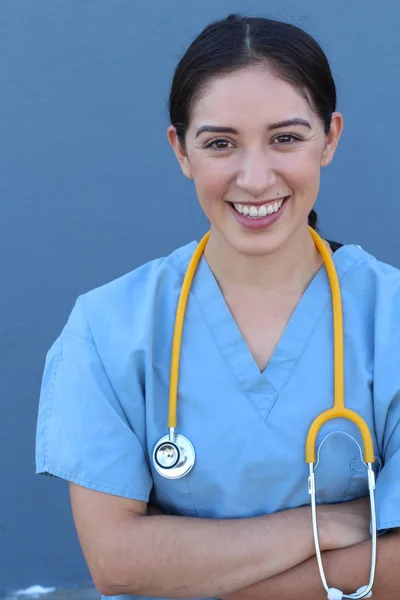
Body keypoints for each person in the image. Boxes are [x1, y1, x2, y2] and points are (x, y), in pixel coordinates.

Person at [35, 14, 400, 600]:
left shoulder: (391, 318)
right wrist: (334, 523)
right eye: (220, 143)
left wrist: (194, 578)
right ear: (181, 150)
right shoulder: (108, 329)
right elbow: (118, 561)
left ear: (330, 138)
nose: (255, 178)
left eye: (286, 137)